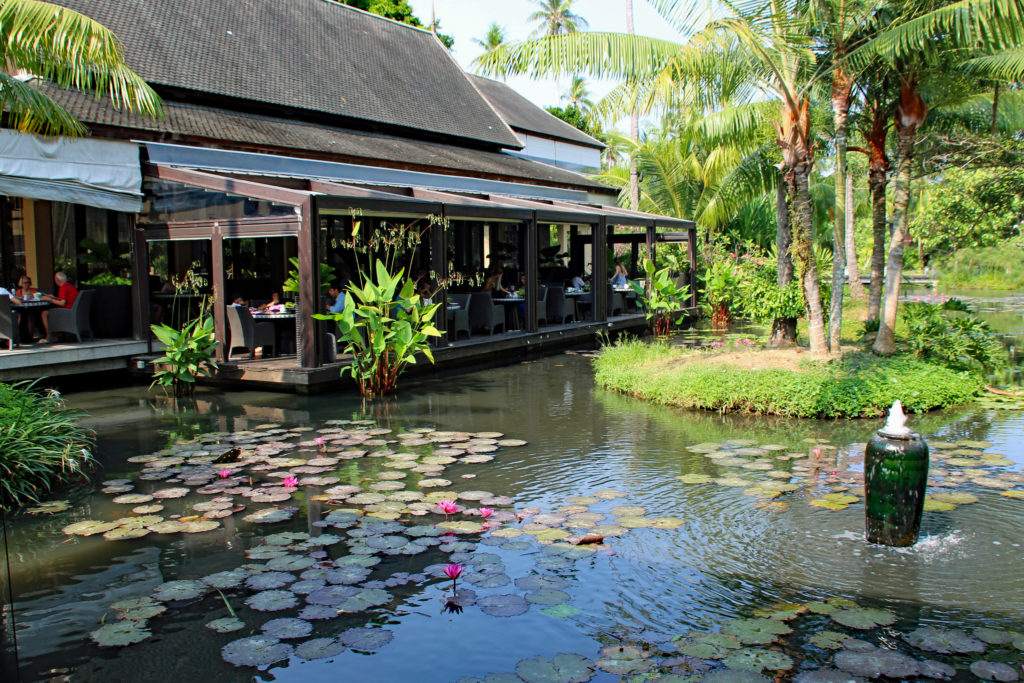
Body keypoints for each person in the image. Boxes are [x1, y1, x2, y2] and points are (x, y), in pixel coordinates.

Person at [39, 272, 78, 342]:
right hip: (73, 311)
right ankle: (54, 335)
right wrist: (54, 298)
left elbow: (62, 303)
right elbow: (65, 299)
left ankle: (50, 336)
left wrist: (49, 299)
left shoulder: (63, 287)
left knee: (44, 313)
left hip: (67, 312)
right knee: (50, 312)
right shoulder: (70, 286)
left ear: (57, 280)